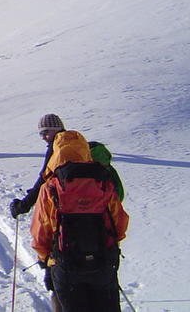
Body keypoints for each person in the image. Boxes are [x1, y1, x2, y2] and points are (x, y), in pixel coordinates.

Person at [30, 130, 128, 312]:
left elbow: (40, 231)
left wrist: (46, 261)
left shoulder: (51, 187)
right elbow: (119, 223)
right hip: (102, 261)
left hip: (65, 265)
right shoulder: (102, 182)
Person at [9, 113, 67, 218]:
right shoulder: (75, 141)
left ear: (56, 129)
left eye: (45, 132)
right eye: (41, 134)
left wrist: (23, 205)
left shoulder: (57, 148)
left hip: (65, 205)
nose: (43, 137)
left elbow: (44, 178)